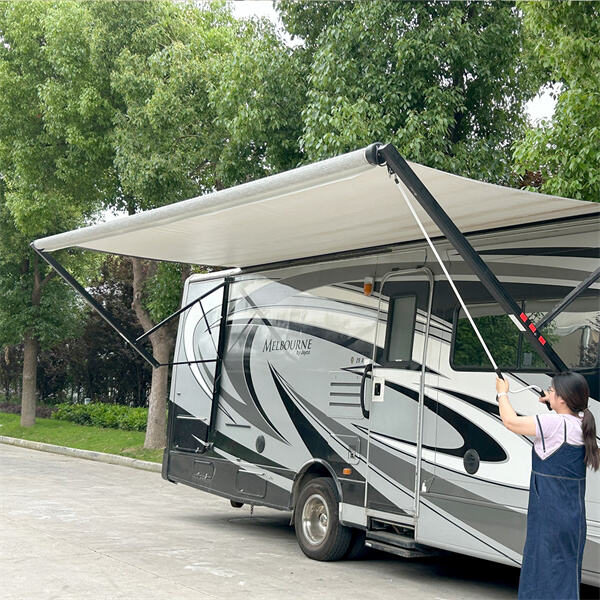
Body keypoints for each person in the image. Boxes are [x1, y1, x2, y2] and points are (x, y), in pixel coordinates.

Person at [495, 372, 599, 600]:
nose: (548, 392)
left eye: (552, 390)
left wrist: (502, 392)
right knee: (563, 576)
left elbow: (510, 422)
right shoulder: (582, 424)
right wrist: (552, 402)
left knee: (540, 574)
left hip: (548, 517)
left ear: (563, 398)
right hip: (573, 519)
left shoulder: (554, 424)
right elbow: (563, 423)